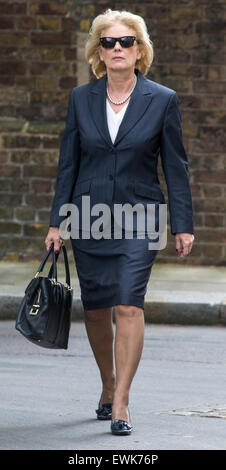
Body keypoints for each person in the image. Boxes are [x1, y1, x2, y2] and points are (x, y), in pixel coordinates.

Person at [45, 9, 195, 436]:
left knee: (129, 303)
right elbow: (68, 164)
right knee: (96, 309)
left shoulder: (162, 99)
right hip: (88, 218)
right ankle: (107, 383)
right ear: (98, 51)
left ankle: (122, 401)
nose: (117, 49)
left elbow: (176, 165)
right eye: (108, 42)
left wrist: (182, 223)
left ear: (139, 49)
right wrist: (58, 221)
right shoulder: (81, 98)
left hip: (140, 216)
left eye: (126, 41)